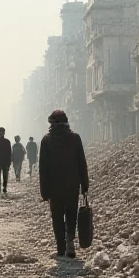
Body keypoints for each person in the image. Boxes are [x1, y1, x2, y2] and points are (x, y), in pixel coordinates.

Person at [39, 109, 89, 259]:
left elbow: (43, 168)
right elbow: (82, 163)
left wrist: (44, 190)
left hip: (54, 187)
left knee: (57, 216)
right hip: (72, 185)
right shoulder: (75, 138)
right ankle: (70, 243)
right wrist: (84, 185)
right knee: (71, 214)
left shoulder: (46, 140)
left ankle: (60, 247)